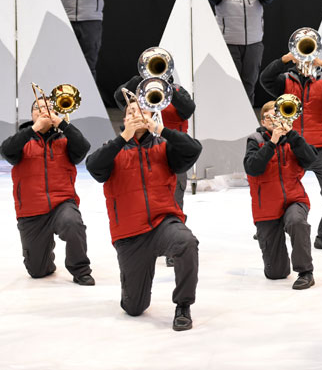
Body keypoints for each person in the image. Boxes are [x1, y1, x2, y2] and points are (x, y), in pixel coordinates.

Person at [85, 103, 203, 331]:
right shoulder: (113, 149)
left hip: (164, 222)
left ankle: (183, 306)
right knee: (134, 307)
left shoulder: (165, 147)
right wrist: (123, 137)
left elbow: (193, 150)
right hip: (130, 233)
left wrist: (161, 130)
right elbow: (94, 167)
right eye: (130, 112)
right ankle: (133, 291)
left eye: (142, 111)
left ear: (152, 117)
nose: (135, 114)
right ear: (124, 119)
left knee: (186, 242)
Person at [259, 45, 322, 251]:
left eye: (309, 53)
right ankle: (269, 226)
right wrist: (285, 59)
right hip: (289, 145)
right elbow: (264, 79)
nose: (306, 58)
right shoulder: (284, 81)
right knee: (274, 188)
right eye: (302, 53)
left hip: (320, 147)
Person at [0, 98, 93, 285]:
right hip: (31, 211)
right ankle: (45, 255)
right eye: (38, 108)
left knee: (73, 223)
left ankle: (80, 270)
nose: (44, 111)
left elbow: (84, 148)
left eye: (50, 108)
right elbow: (6, 151)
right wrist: (34, 129)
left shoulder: (65, 139)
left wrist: (62, 124)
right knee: (37, 271)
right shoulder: (22, 139)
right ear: (32, 115)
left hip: (62, 203)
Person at [244, 100, 319, 289]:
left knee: (297, 221)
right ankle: (279, 264)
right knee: (275, 273)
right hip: (266, 208)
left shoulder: (293, 140)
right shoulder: (255, 140)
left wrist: (291, 134)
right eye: (269, 117)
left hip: (294, 200)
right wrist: (272, 142)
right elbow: (253, 168)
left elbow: (311, 160)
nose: (273, 121)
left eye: (277, 116)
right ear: (262, 121)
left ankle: (305, 272)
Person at [113, 61, 196, 211]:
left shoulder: (177, 90)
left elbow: (189, 109)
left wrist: (166, 87)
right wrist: (141, 79)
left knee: (173, 206)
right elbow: (119, 97)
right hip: (140, 154)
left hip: (171, 155)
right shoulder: (139, 93)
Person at [202, 0, 277, 104]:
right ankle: (229, 118)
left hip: (253, 45)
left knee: (249, 83)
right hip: (228, 44)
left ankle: (247, 118)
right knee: (230, 83)